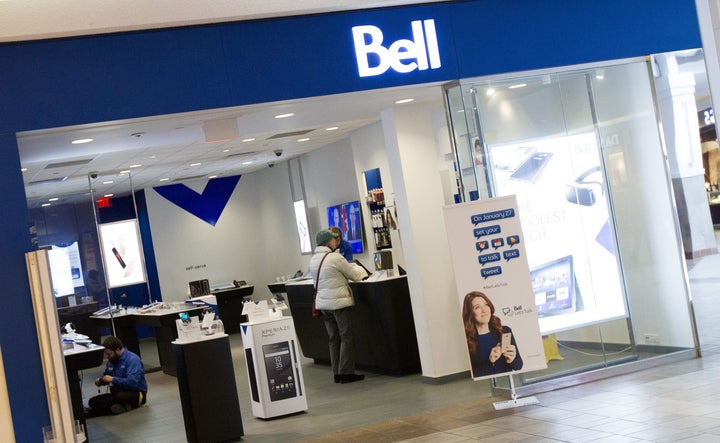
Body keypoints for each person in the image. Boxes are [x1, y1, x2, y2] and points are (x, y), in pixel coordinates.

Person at [309, 229, 368, 384]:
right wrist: (362, 272)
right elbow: (354, 275)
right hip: (339, 303)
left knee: (333, 338)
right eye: (334, 239)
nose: (337, 241)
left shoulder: (314, 259)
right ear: (329, 242)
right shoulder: (335, 258)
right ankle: (346, 373)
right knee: (346, 337)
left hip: (324, 305)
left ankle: (337, 372)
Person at [462, 291, 523, 377]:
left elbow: (518, 366)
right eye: (477, 307)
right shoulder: (466, 339)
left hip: (506, 383)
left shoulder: (504, 331)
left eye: (486, 304)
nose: (484, 310)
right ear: (470, 314)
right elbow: (472, 375)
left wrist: (511, 360)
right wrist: (490, 361)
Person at [85, 336, 148, 417]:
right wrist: (102, 381)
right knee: (92, 401)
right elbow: (107, 376)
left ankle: (92, 413)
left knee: (119, 397)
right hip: (118, 392)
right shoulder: (112, 360)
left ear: (118, 349)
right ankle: (123, 407)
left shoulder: (132, 360)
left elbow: (132, 382)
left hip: (137, 394)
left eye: (109, 354)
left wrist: (113, 379)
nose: (107, 356)